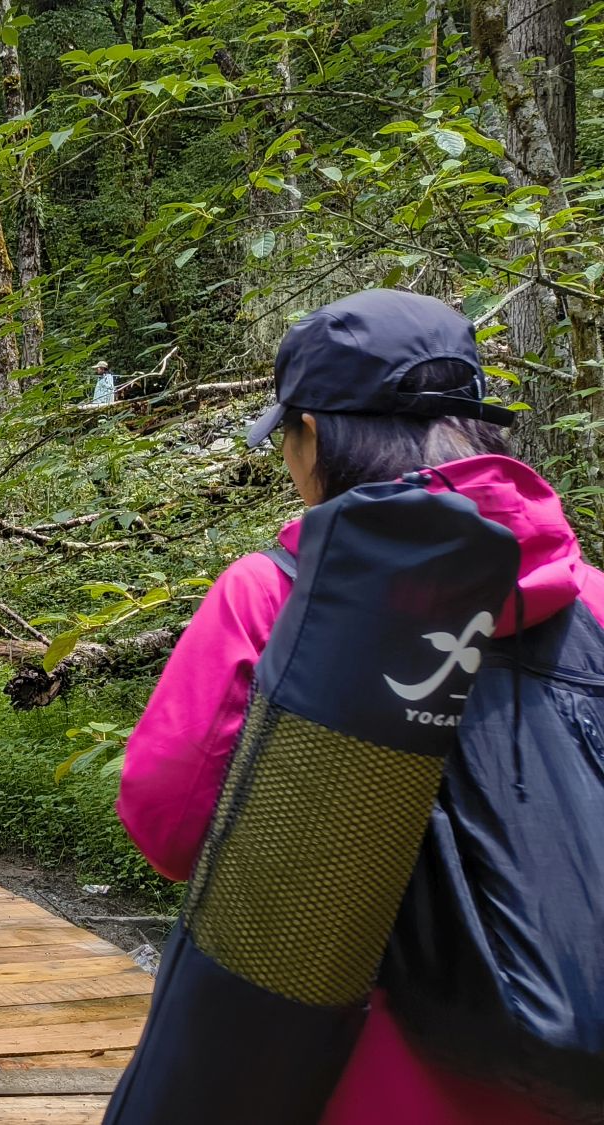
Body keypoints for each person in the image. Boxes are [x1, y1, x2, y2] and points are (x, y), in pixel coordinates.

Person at [118, 289, 602, 1125]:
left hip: (349, 1074)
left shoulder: (276, 595)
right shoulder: (590, 601)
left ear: (314, 435)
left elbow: (167, 822)